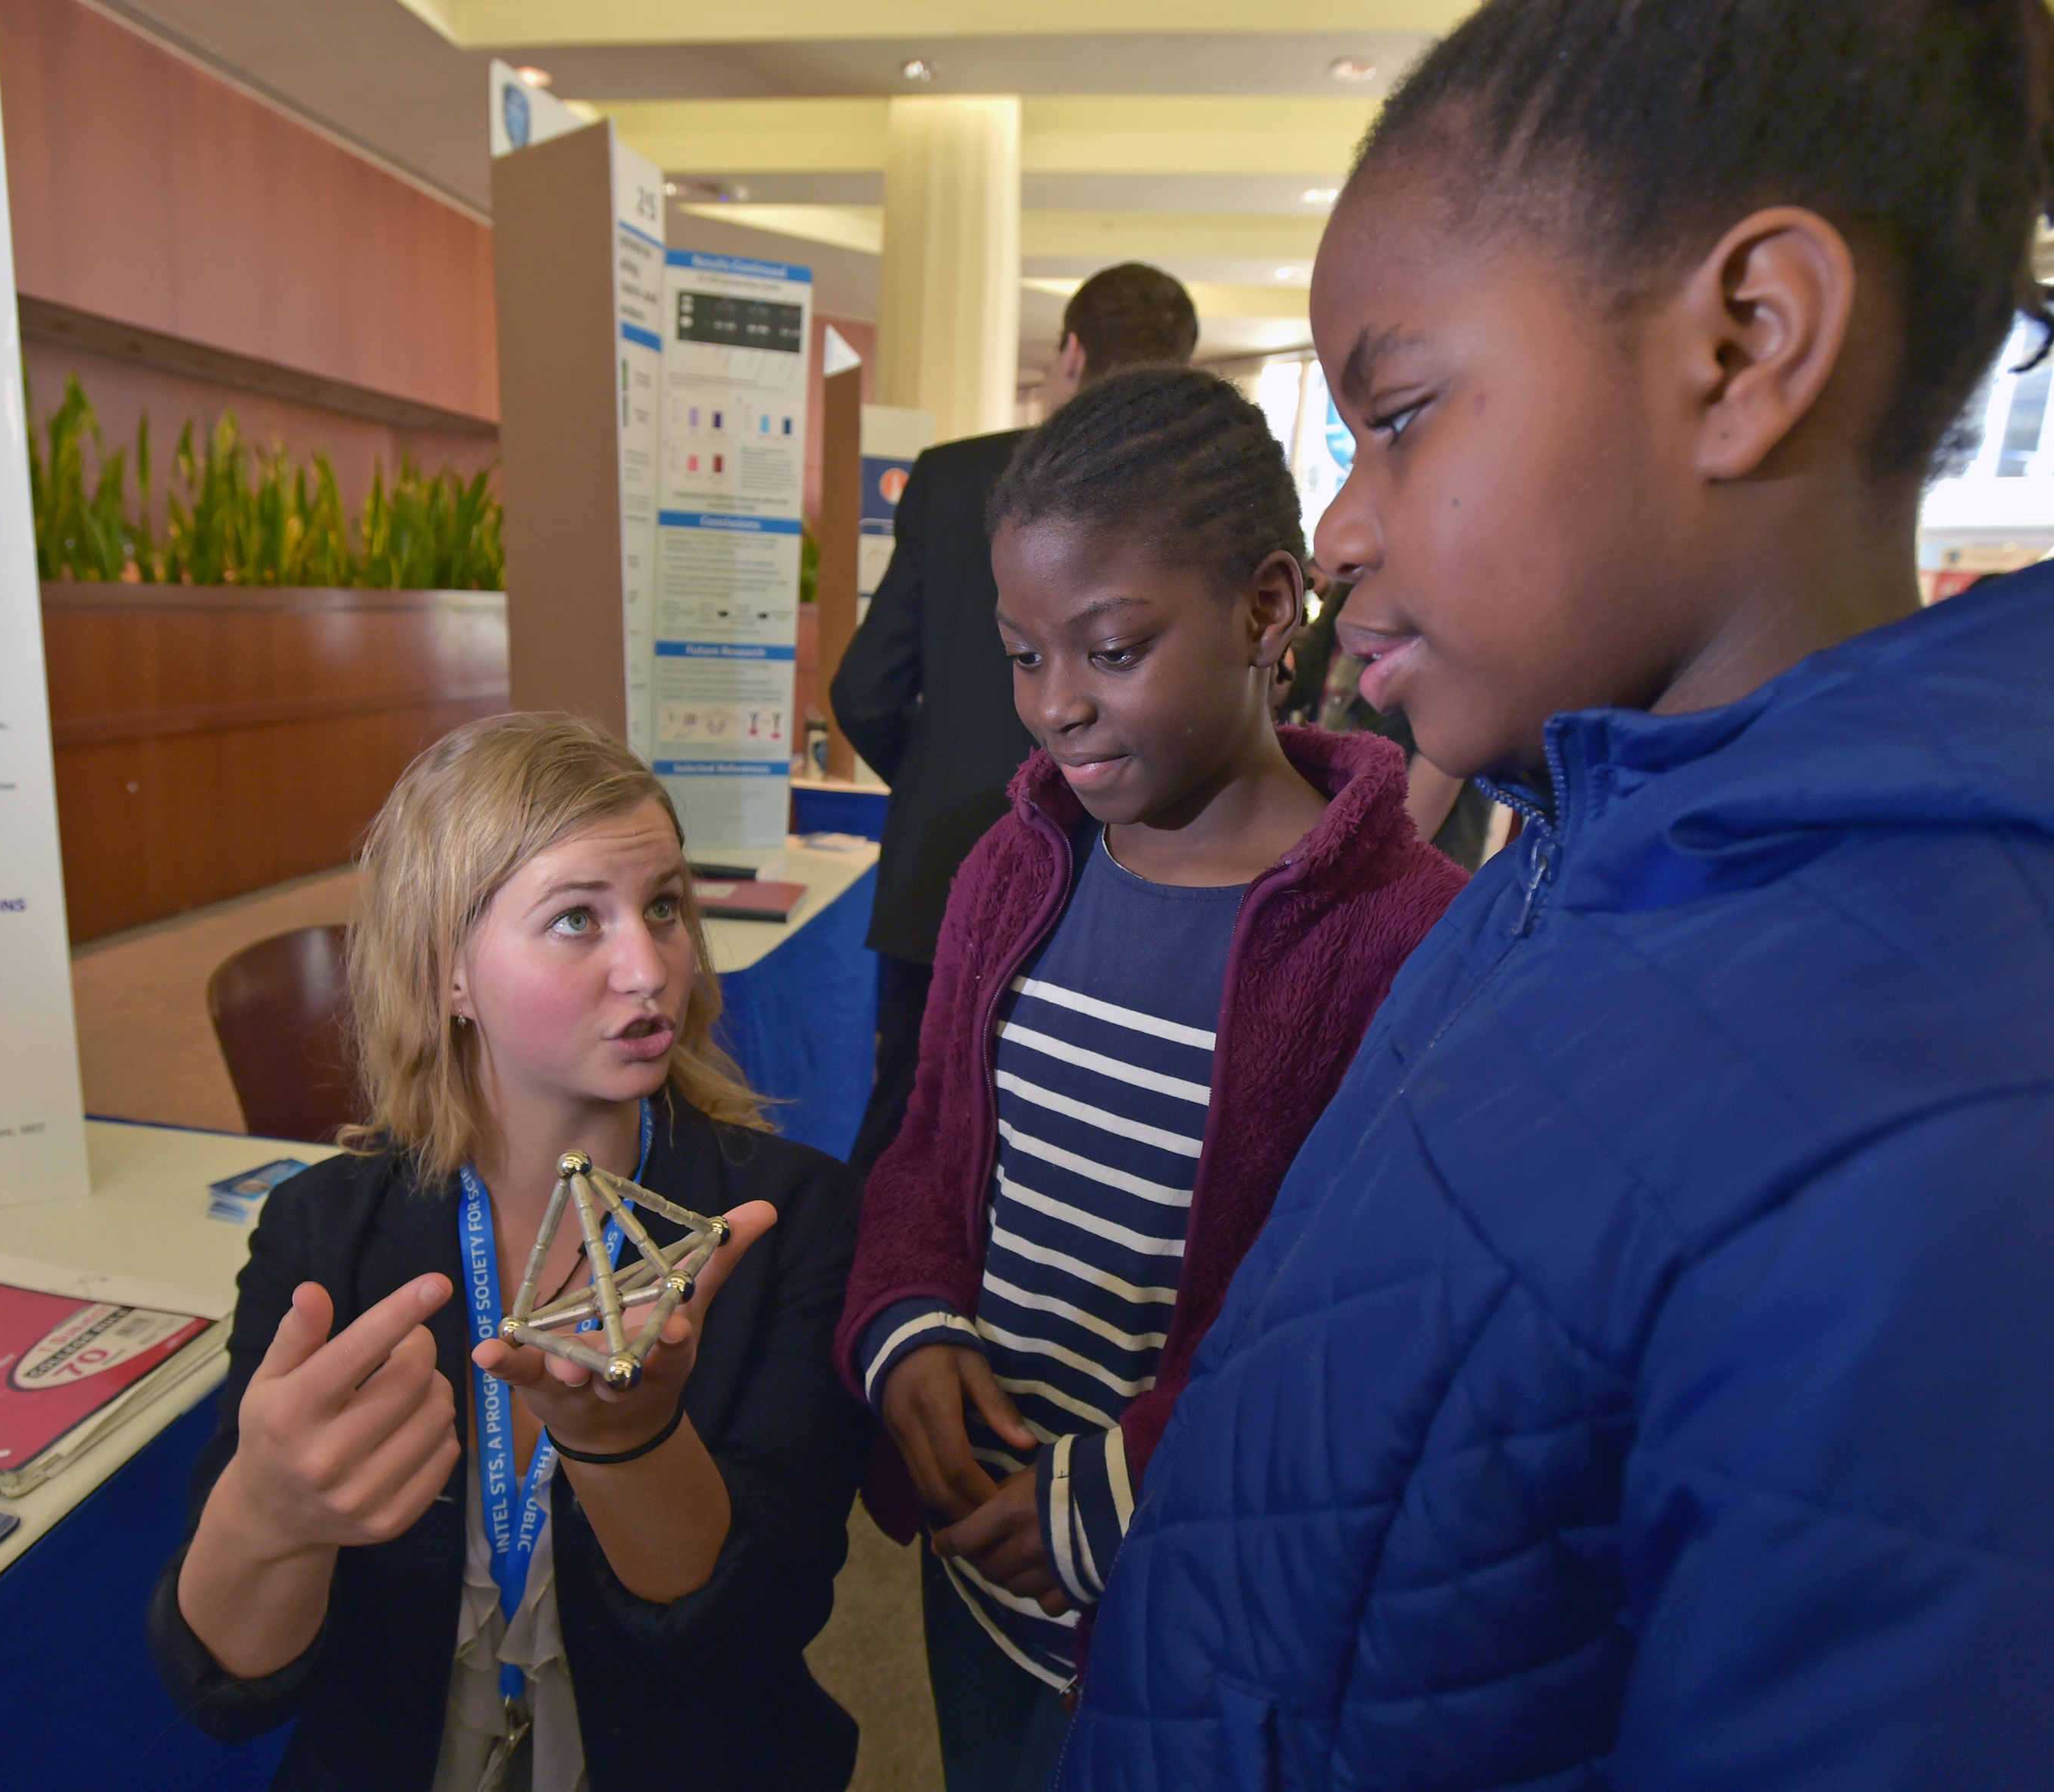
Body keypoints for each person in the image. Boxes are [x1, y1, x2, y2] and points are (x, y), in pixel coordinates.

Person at [1061, 2, 2054, 1787]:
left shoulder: (1943, 1146)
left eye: (1401, 417)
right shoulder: (1556, 875)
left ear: (1747, 345)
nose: (1341, 529)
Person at [835, 366, 1468, 1792]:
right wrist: (910, 1321)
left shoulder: (1404, 936)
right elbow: (932, 1145)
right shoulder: (1012, 871)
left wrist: (1127, 1488)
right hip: (984, 1569)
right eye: (1021, 655)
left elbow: (1366, 1327)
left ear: (1266, 607)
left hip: (1194, 1598)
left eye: (1112, 649)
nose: (1056, 706)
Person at [148, 714, 869, 1792]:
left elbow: (754, 1632)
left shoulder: (783, 1215)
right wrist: (270, 1513)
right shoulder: (323, 1232)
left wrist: (631, 1444)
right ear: (449, 972)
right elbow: (226, 1690)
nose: (649, 967)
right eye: (578, 918)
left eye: (664, 906)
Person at [829, 263, 1201, 1177]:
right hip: (1120, 878)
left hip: (945, 858)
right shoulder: (1193, 500)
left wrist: (942, 781)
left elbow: (865, 689)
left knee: (908, 1126)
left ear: (1072, 352)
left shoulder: (955, 477)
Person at [1278, 577, 1500, 869]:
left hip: (1408, 860)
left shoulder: (1451, 607)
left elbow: (1448, 754)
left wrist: (1354, 865)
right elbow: (1302, 666)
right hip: (1339, 842)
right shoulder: (1351, 588)